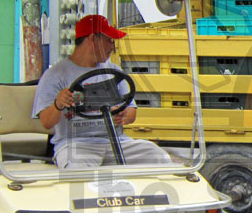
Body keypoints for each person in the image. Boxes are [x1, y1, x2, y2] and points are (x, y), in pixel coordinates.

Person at [33, 14, 170, 169]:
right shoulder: (55, 75)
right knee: (77, 168)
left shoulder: (114, 71)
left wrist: (123, 115)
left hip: (117, 141)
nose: (112, 47)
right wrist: (58, 104)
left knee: (158, 157)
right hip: (75, 144)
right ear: (92, 39)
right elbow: (46, 123)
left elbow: (131, 112)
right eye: (109, 41)